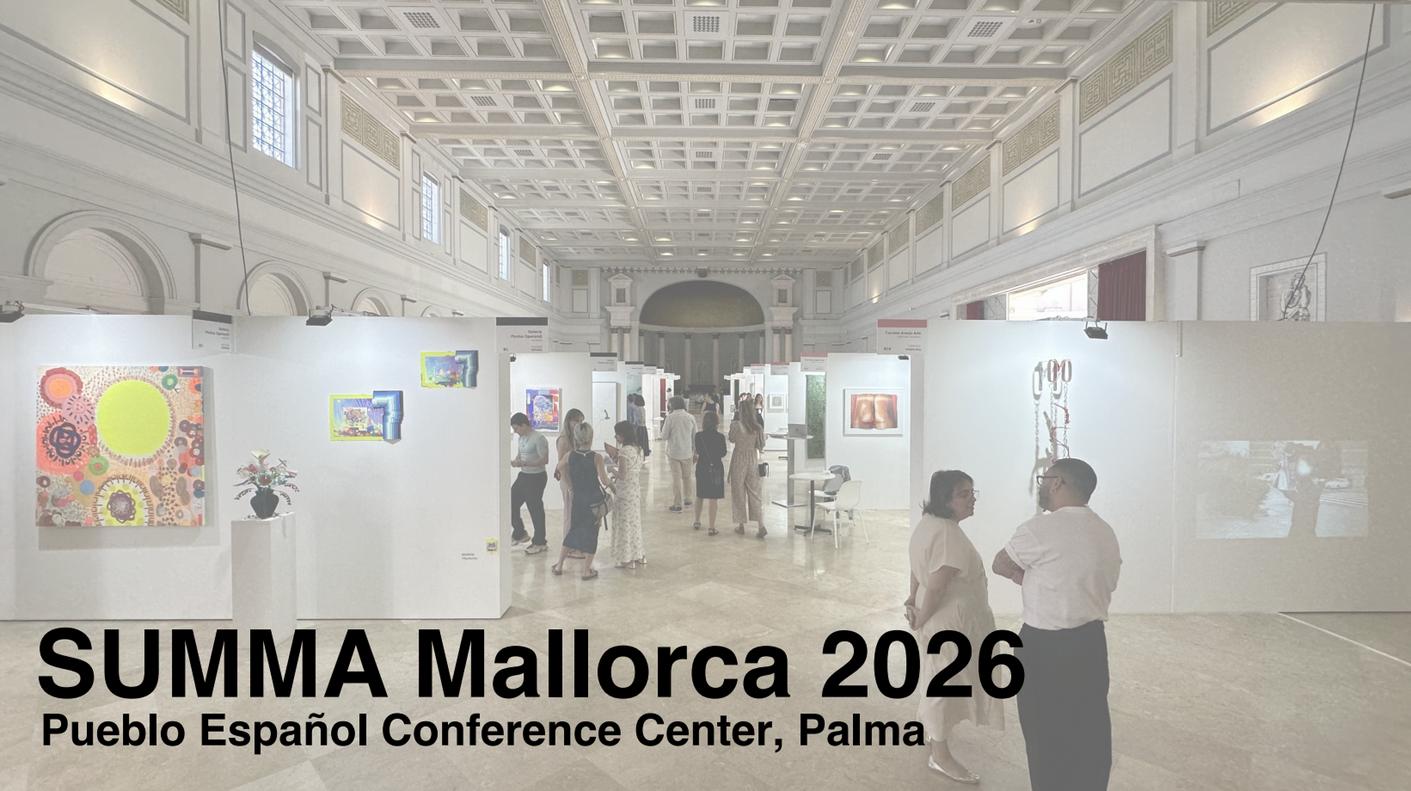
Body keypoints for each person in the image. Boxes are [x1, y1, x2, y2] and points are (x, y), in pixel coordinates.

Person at [992, 457, 1121, 791]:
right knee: (1090, 729)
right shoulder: (1105, 531)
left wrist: (1029, 579)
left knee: (1044, 734)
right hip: (1091, 643)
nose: (1042, 485)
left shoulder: (1039, 528)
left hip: (1042, 648)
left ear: (1059, 483)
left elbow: (1000, 564)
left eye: (1045, 478)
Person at [905, 470, 1003, 784]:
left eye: (973, 492)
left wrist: (912, 600)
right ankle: (941, 755)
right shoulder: (947, 534)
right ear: (945, 499)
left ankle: (934, 738)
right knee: (944, 686)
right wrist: (921, 615)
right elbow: (936, 585)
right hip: (949, 622)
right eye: (963, 494)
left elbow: (918, 571)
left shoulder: (929, 525)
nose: (972, 499)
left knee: (938, 678)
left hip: (938, 617)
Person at [554, 422, 613, 580]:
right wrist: (614, 485)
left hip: (578, 500)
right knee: (592, 533)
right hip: (593, 500)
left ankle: (559, 565)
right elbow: (605, 480)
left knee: (574, 530)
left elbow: (559, 468)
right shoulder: (596, 457)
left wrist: (570, 486)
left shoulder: (570, 455)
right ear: (591, 438)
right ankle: (586, 570)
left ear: (576, 438)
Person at [605, 420, 645, 569]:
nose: (615, 437)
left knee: (624, 525)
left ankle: (627, 559)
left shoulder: (624, 451)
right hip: (635, 491)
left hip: (624, 493)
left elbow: (622, 474)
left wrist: (611, 469)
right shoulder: (638, 449)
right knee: (634, 524)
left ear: (622, 435)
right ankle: (637, 555)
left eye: (617, 434)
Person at [508, 412, 550, 554]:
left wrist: (525, 463)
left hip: (537, 477)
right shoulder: (521, 438)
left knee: (535, 509)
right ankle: (520, 533)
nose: (515, 431)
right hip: (524, 476)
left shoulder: (539, 438)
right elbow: (520, 456)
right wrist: (515, 461)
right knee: (510, 502)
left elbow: (544, 460)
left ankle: (540, 542)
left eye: (516, 428)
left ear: (524, 425)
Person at [728, 396, 766, 538]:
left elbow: (731, 439)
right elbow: (761, 445)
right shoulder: (757, 427)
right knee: (754, 492)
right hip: (752, 460)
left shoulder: (736, 425)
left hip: (739, 458)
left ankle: (741, 525)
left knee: (738, 492)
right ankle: (761, 525)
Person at [554, 409, 587, 558]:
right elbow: (561, 465)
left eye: (581, 421)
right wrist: (569, 486)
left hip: (577, 481)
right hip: (568, 481)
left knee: (576, 515)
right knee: (570, 515)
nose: (578, 424)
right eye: (576, 420)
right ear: (568, 421)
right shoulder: (563, 440)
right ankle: (569, 548)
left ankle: (575, 546)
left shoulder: (575, 438)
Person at [693, 411, 728, 535]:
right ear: (716, 423)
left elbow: (697, 450)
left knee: (700, 495)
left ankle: (697, 521)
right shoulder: (720, 437)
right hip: (716, 468)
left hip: (702, 466)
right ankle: (711, 527)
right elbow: (723, 453)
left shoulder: (698, 436)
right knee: (713, 498)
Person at [661, 396, 697, 513]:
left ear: (673, 405)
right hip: (687, 452)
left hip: (674, 452)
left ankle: (677, 503)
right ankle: (688, 498)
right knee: (687, 477)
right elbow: (695, 436)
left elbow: (664, 436)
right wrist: (695, 452)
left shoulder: (670, 418)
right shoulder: (690, 417)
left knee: (676, 478)